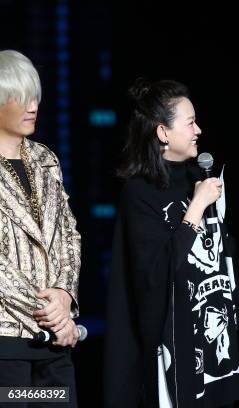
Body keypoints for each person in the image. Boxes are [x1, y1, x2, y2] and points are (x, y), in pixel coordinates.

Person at [103, 79, 239, 407]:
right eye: (190, 123)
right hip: (173, 345)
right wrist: (196, 208)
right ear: (163, 133)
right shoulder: (140, 192)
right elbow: (153, 273)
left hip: (213, 337)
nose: (199, 130)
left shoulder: (200, 179)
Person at [0, 49, 81, 406]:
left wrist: (64, 295)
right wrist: (49, 312)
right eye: (20, 97)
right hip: (7, 343)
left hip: (53, 342)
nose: (32, 105)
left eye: (35, 95)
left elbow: (69, 235)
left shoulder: (46, 158)